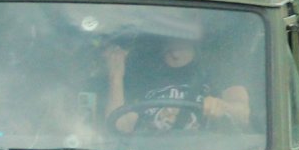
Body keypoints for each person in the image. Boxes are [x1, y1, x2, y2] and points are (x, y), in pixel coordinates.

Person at [104, 35, 250, 134]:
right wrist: (115, 77)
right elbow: (120, 128)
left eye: (181, 39)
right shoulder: (143, 71)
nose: (175, 48)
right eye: (169, 38)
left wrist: (223, 106)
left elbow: (244, 114)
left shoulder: (215, 66)